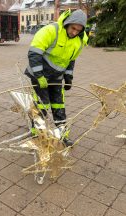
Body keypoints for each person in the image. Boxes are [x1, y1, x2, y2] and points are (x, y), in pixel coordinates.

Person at [24, 9, 88, 146]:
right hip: (40, 74)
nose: (74, 32)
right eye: (73, 28)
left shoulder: (79, 40)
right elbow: (34, 53)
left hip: (56, 78)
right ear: (67, 24)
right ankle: (38, 133)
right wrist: (39, 76)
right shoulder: (51, 31)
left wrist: (68, 77)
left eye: (78, 30)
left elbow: (71, 60)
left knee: (59, 105)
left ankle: (62, 135)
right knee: (42, 104)